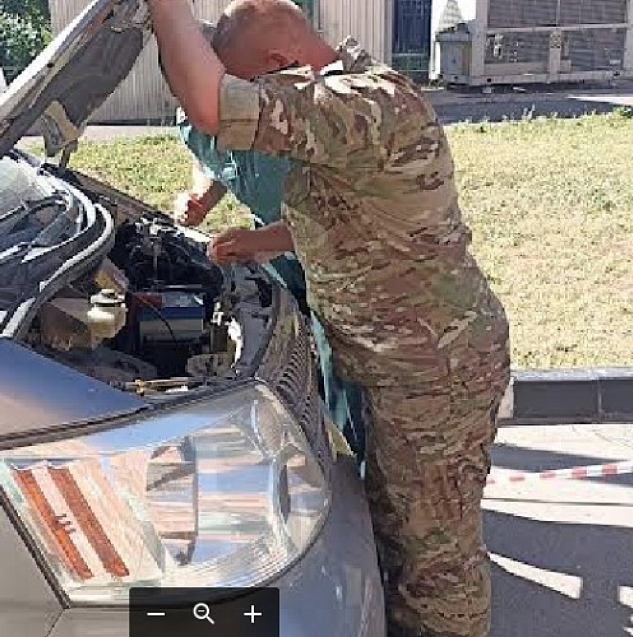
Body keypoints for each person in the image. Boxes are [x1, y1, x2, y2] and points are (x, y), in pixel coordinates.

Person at [149, 1, 512, 636]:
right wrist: (248, 242)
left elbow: (213, 106)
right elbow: (334, 220)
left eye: (253, 84)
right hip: (402, 364)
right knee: (398, 529)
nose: (255, 105)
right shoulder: (345, 101)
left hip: (431, 373)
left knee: (437, 563)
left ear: (278, 66)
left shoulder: (363, 106)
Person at [168, 24, 365, 454]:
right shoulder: (193, 113)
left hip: (333, 249)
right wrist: (200, 197)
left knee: (342, 362)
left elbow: (325, 222)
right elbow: (212, 159)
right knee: (282, 344)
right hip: (272, 242)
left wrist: (250, 243)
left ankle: (353, 465)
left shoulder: (286, 110)